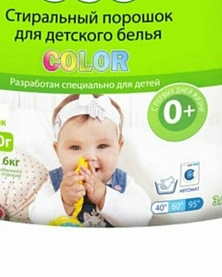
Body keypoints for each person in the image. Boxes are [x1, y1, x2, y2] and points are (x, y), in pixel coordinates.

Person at [29, 94, 152, 227]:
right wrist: (64, 201)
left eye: (102, 146)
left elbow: (143, 216)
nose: (89, 156)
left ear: (119, 148)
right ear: (58, 151)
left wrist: (104, 196)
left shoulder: (123, 183)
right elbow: (37, 217)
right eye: (75, 147)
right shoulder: (56, 182)